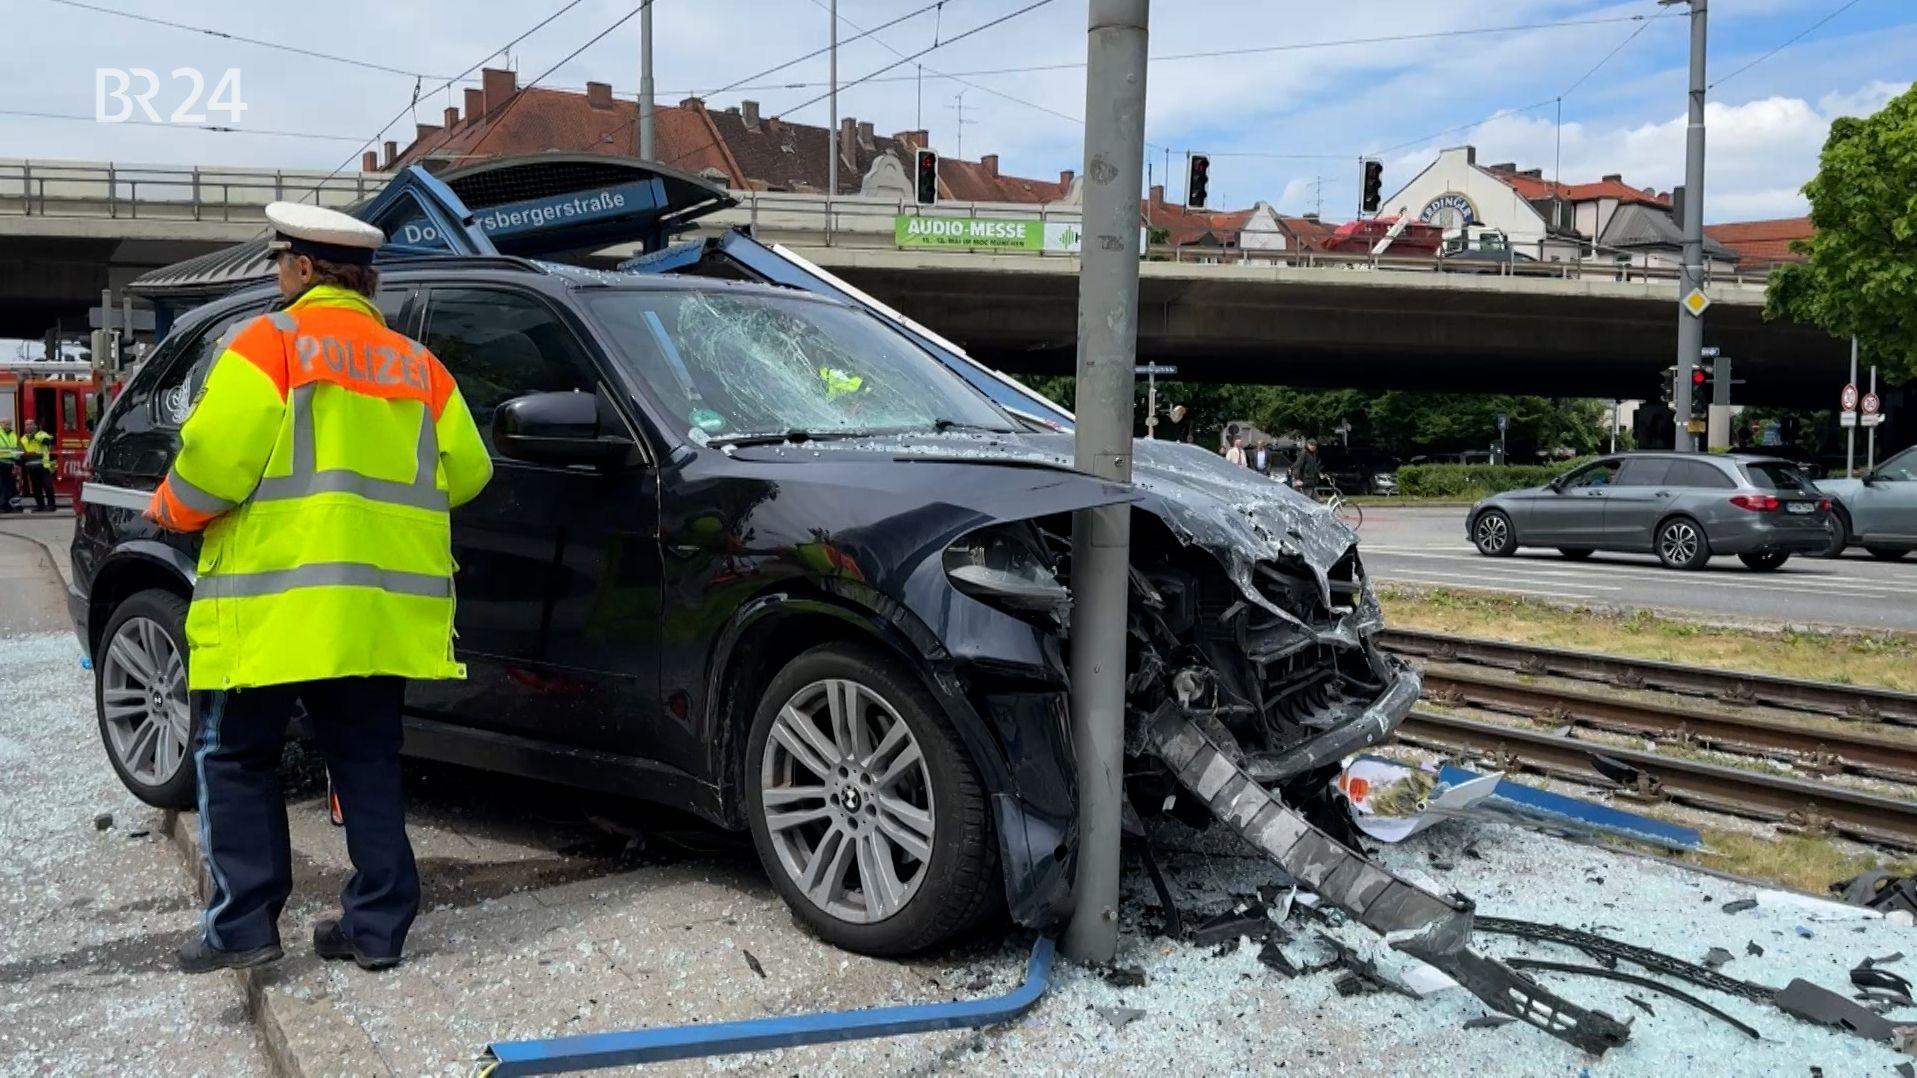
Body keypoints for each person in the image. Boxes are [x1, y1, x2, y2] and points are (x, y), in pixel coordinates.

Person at [147, 201, 493, 975]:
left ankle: (243, 928)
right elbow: (469, 474)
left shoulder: (268, 346)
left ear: (302, 269)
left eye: (279, 264)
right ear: (364, 280)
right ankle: (374, 929)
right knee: (366, 759)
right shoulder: (419, 367)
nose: (277, 276)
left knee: (235, 756)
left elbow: (212, 465)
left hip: (272, 607)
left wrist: (170, 507)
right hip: (374, 612)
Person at [19, 419, 56, 512]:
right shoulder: (22, 439)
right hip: (31, 467)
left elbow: (48, 440)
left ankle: (51, 505)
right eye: (27, 424)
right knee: (36, 488)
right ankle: (40, 506)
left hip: (43, 465)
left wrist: (36, 437)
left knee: (48, 486)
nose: (29, 426)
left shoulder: (41, 434)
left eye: (31, 424)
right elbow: (22, 452)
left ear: (35, 426)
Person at [0, 417, 18, 512]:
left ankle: (5, 505)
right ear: (1, 424)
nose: (8, 426)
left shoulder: (13, 434)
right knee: (2, 486)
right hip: (1, 462)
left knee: (9, 486)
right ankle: (3, 505)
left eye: (9, 424)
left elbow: (15, 448)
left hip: (10, 463)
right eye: (6, 424)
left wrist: (16, 461)